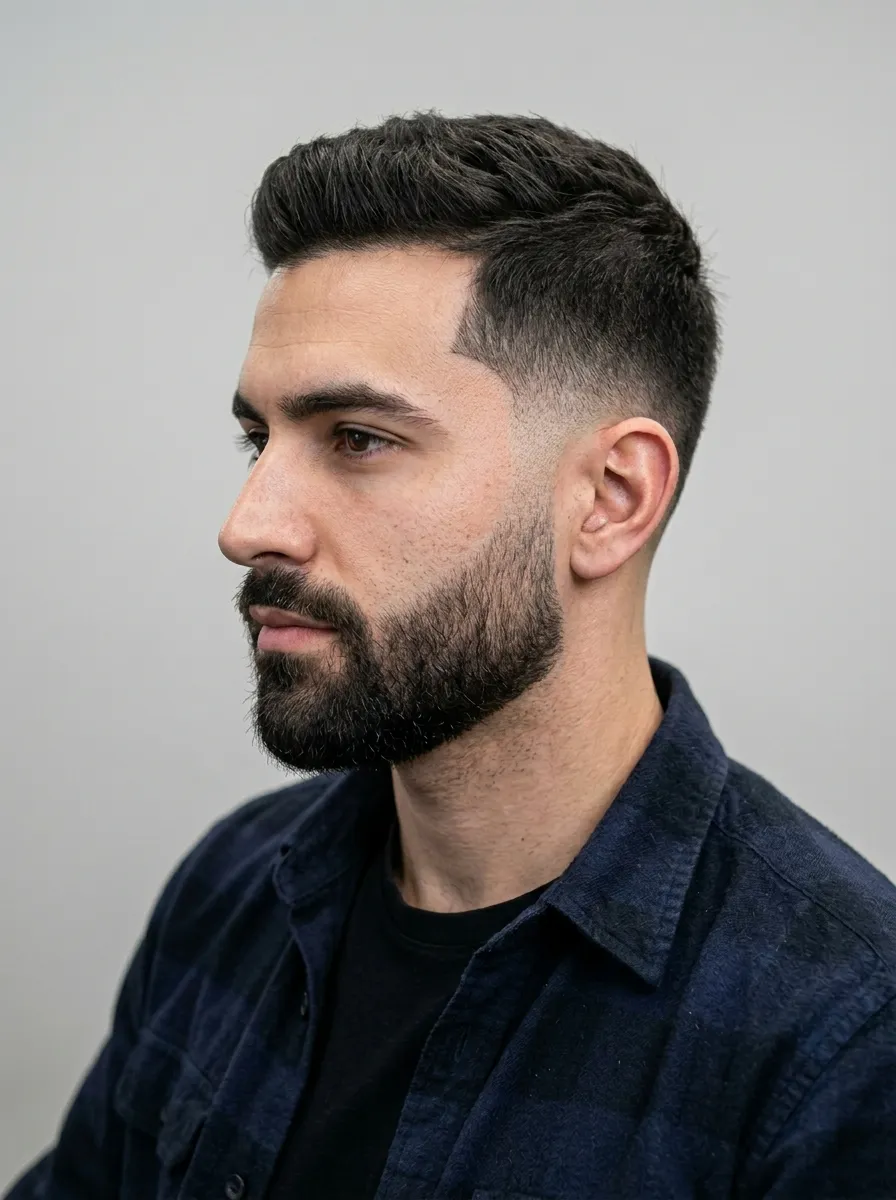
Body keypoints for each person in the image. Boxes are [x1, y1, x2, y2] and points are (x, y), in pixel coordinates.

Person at [6, 111, 895, 1200]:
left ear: (609, 500)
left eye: (358, 439)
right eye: (259, 439)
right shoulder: (235, 888)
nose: (247, 526)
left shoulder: (843, 1038)